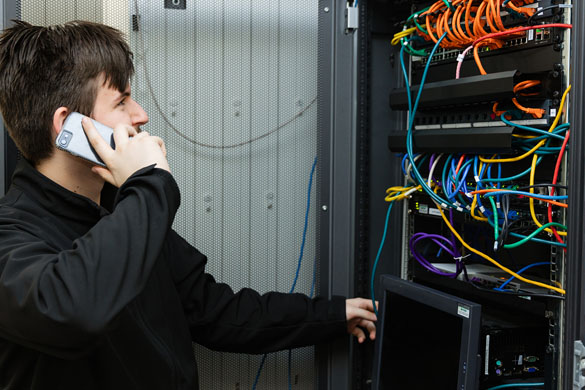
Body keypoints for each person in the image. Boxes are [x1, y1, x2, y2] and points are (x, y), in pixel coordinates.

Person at [0, 20, 377, 389]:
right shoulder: (12, 237)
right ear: (69, 126)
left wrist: (330, 316)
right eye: (122, 101)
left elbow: (216, 311)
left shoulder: (126, 208)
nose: (140, 115)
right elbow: (71, 311)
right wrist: (151, 185)